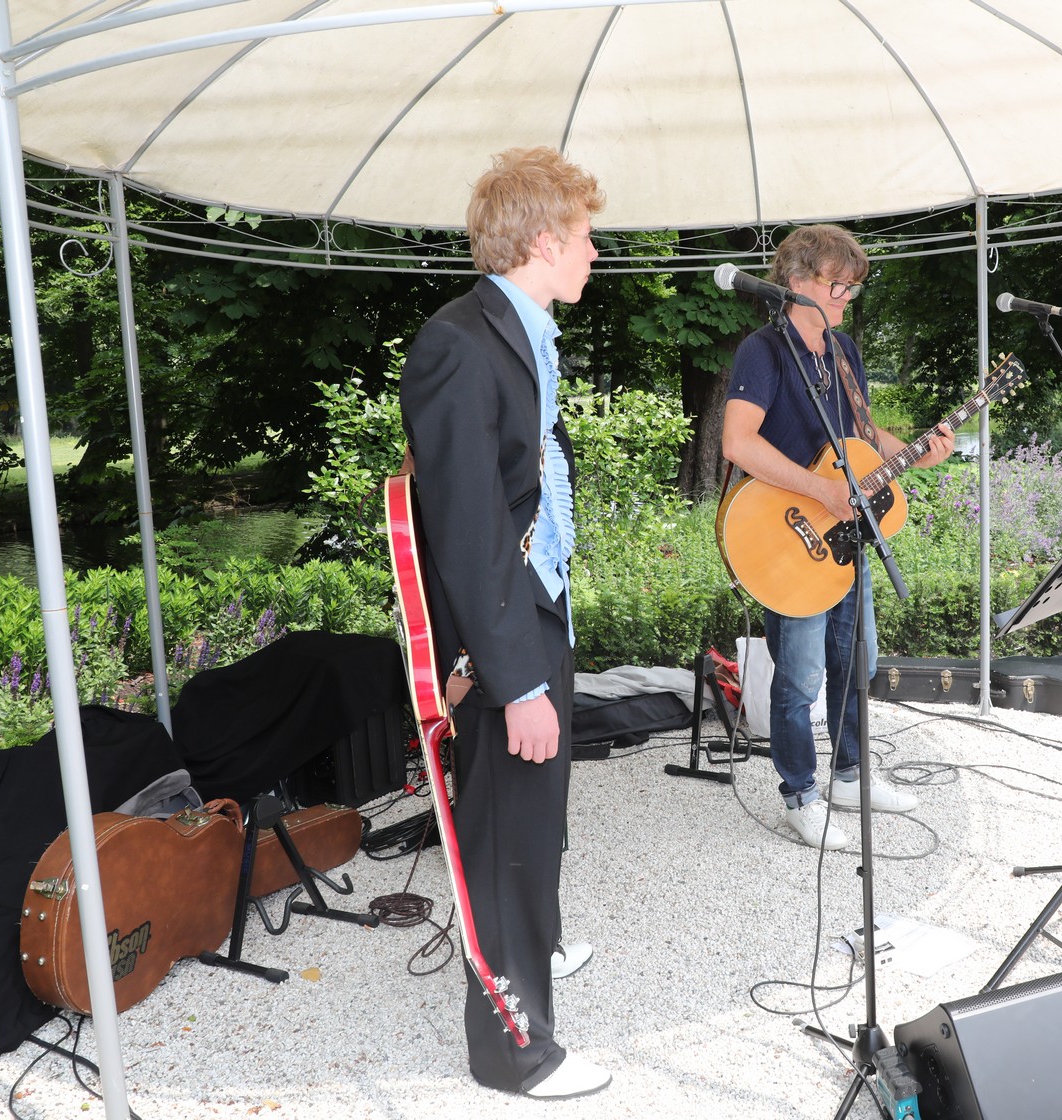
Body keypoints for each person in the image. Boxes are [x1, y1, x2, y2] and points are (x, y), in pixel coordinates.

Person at [398, 147, 609, 1100]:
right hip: (499, 636)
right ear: (545, 240)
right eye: (587, 235)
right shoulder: (458, 344)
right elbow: (468, 531)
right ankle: (516, 1055)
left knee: (537, 817)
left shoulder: (519, 333)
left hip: (534, 607)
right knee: (505, 835)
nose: (596, 252)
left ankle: (536, 948)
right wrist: (516, 679)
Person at [721, 225, 953, 850]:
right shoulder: (763, 352)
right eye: (837, 284)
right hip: (789, 535)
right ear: (797, 281)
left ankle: (849, 777)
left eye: (853, 286)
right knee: (799, 677)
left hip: (847, 535)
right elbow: (737, 443)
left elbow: (865, 438)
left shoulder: (843, 351)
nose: (847, 295)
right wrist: (820, 491)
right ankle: (800, 794)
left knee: (858, 660)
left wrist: (920, 451)